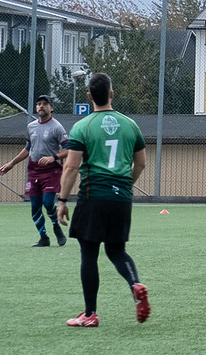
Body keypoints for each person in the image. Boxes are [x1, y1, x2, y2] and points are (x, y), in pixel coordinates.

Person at [56, 73, 150, 328]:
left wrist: (62, 200)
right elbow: (141, 163)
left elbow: (72, 167)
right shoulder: (131, 124)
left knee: (89, 254)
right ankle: (135, 284)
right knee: (116, 250)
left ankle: (90, 314)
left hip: (93, 194)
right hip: (121, 197)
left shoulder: (82, 126)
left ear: (88, 97)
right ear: (112, 94)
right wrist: (125, 185)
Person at [0, 96, 67, 247]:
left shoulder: (57, 127)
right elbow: (28, 149)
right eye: (39, 104)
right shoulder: (31, 127)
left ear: (51, 108)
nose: (41, 106)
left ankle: (56, 226)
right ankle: (44, 238)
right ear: (36, 108)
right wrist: (12, 163)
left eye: (45, 104)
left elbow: (69, 149)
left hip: (51, 170)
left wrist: (53, 157)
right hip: (34, 170)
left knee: (48, 203)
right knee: (35, 206)